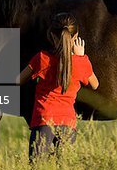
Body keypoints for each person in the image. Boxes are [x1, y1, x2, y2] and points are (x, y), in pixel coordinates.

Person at [19, 13, 99, 161]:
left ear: (51, 34)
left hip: (43, 121)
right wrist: (80, 57)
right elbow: (95, 84)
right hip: (68, 123)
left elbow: (18, 81)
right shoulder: (81, 63)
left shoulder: (42, 58)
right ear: (75, 37)